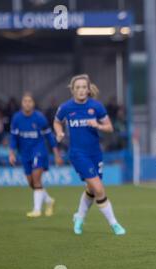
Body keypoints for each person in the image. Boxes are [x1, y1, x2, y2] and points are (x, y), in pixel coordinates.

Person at [53, 74, 126, 236]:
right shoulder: (66, 107)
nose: (80, 90)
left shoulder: (96, 107)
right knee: (99, 189)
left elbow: (109, 127)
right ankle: (114, 224)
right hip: (78, 154)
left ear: (88, 89)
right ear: (72, 90)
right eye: (77, 87)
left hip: (95, 154)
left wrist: (98, 125)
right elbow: (57, 121)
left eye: (83, 87)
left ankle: (79, 217)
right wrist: (59, 133)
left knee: (91, 189)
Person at [9, 92, 63, 217]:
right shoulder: (16, 118)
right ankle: (49, 201)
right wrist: (11, 153)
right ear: (22, 103)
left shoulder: (40, 118)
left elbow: (49, 136)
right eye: (25, 101)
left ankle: (37, 210)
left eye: (30, 101)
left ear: (33, 103)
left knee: (37, 180)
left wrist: (56, 154)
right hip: (25, 153)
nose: (27, 103)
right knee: (32, 183)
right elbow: (13, 137)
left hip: (39, 151)